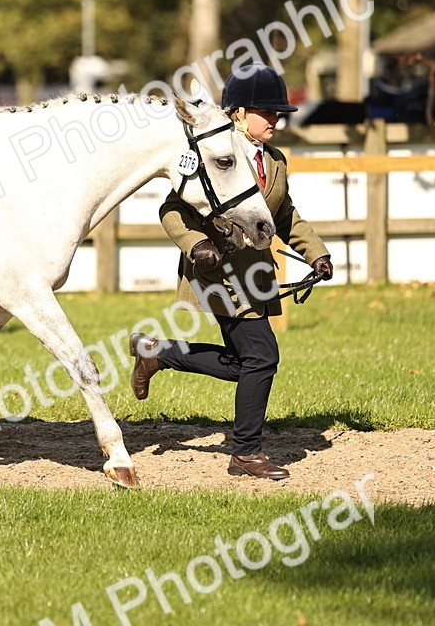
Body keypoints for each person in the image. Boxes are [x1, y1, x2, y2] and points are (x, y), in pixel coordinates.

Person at [129, 64, 332, 480]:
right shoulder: (213, 153)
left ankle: (158, 353)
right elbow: (172, 209)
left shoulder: (275, 161)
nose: (276, 119)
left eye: (279, 113)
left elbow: (285, 215)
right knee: (262, 357)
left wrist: (316, 254)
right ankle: (245, 453)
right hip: (217, 274)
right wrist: (195, 244)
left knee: (246, 363)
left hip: (256, 276)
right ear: (238, 113)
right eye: (267, 112)